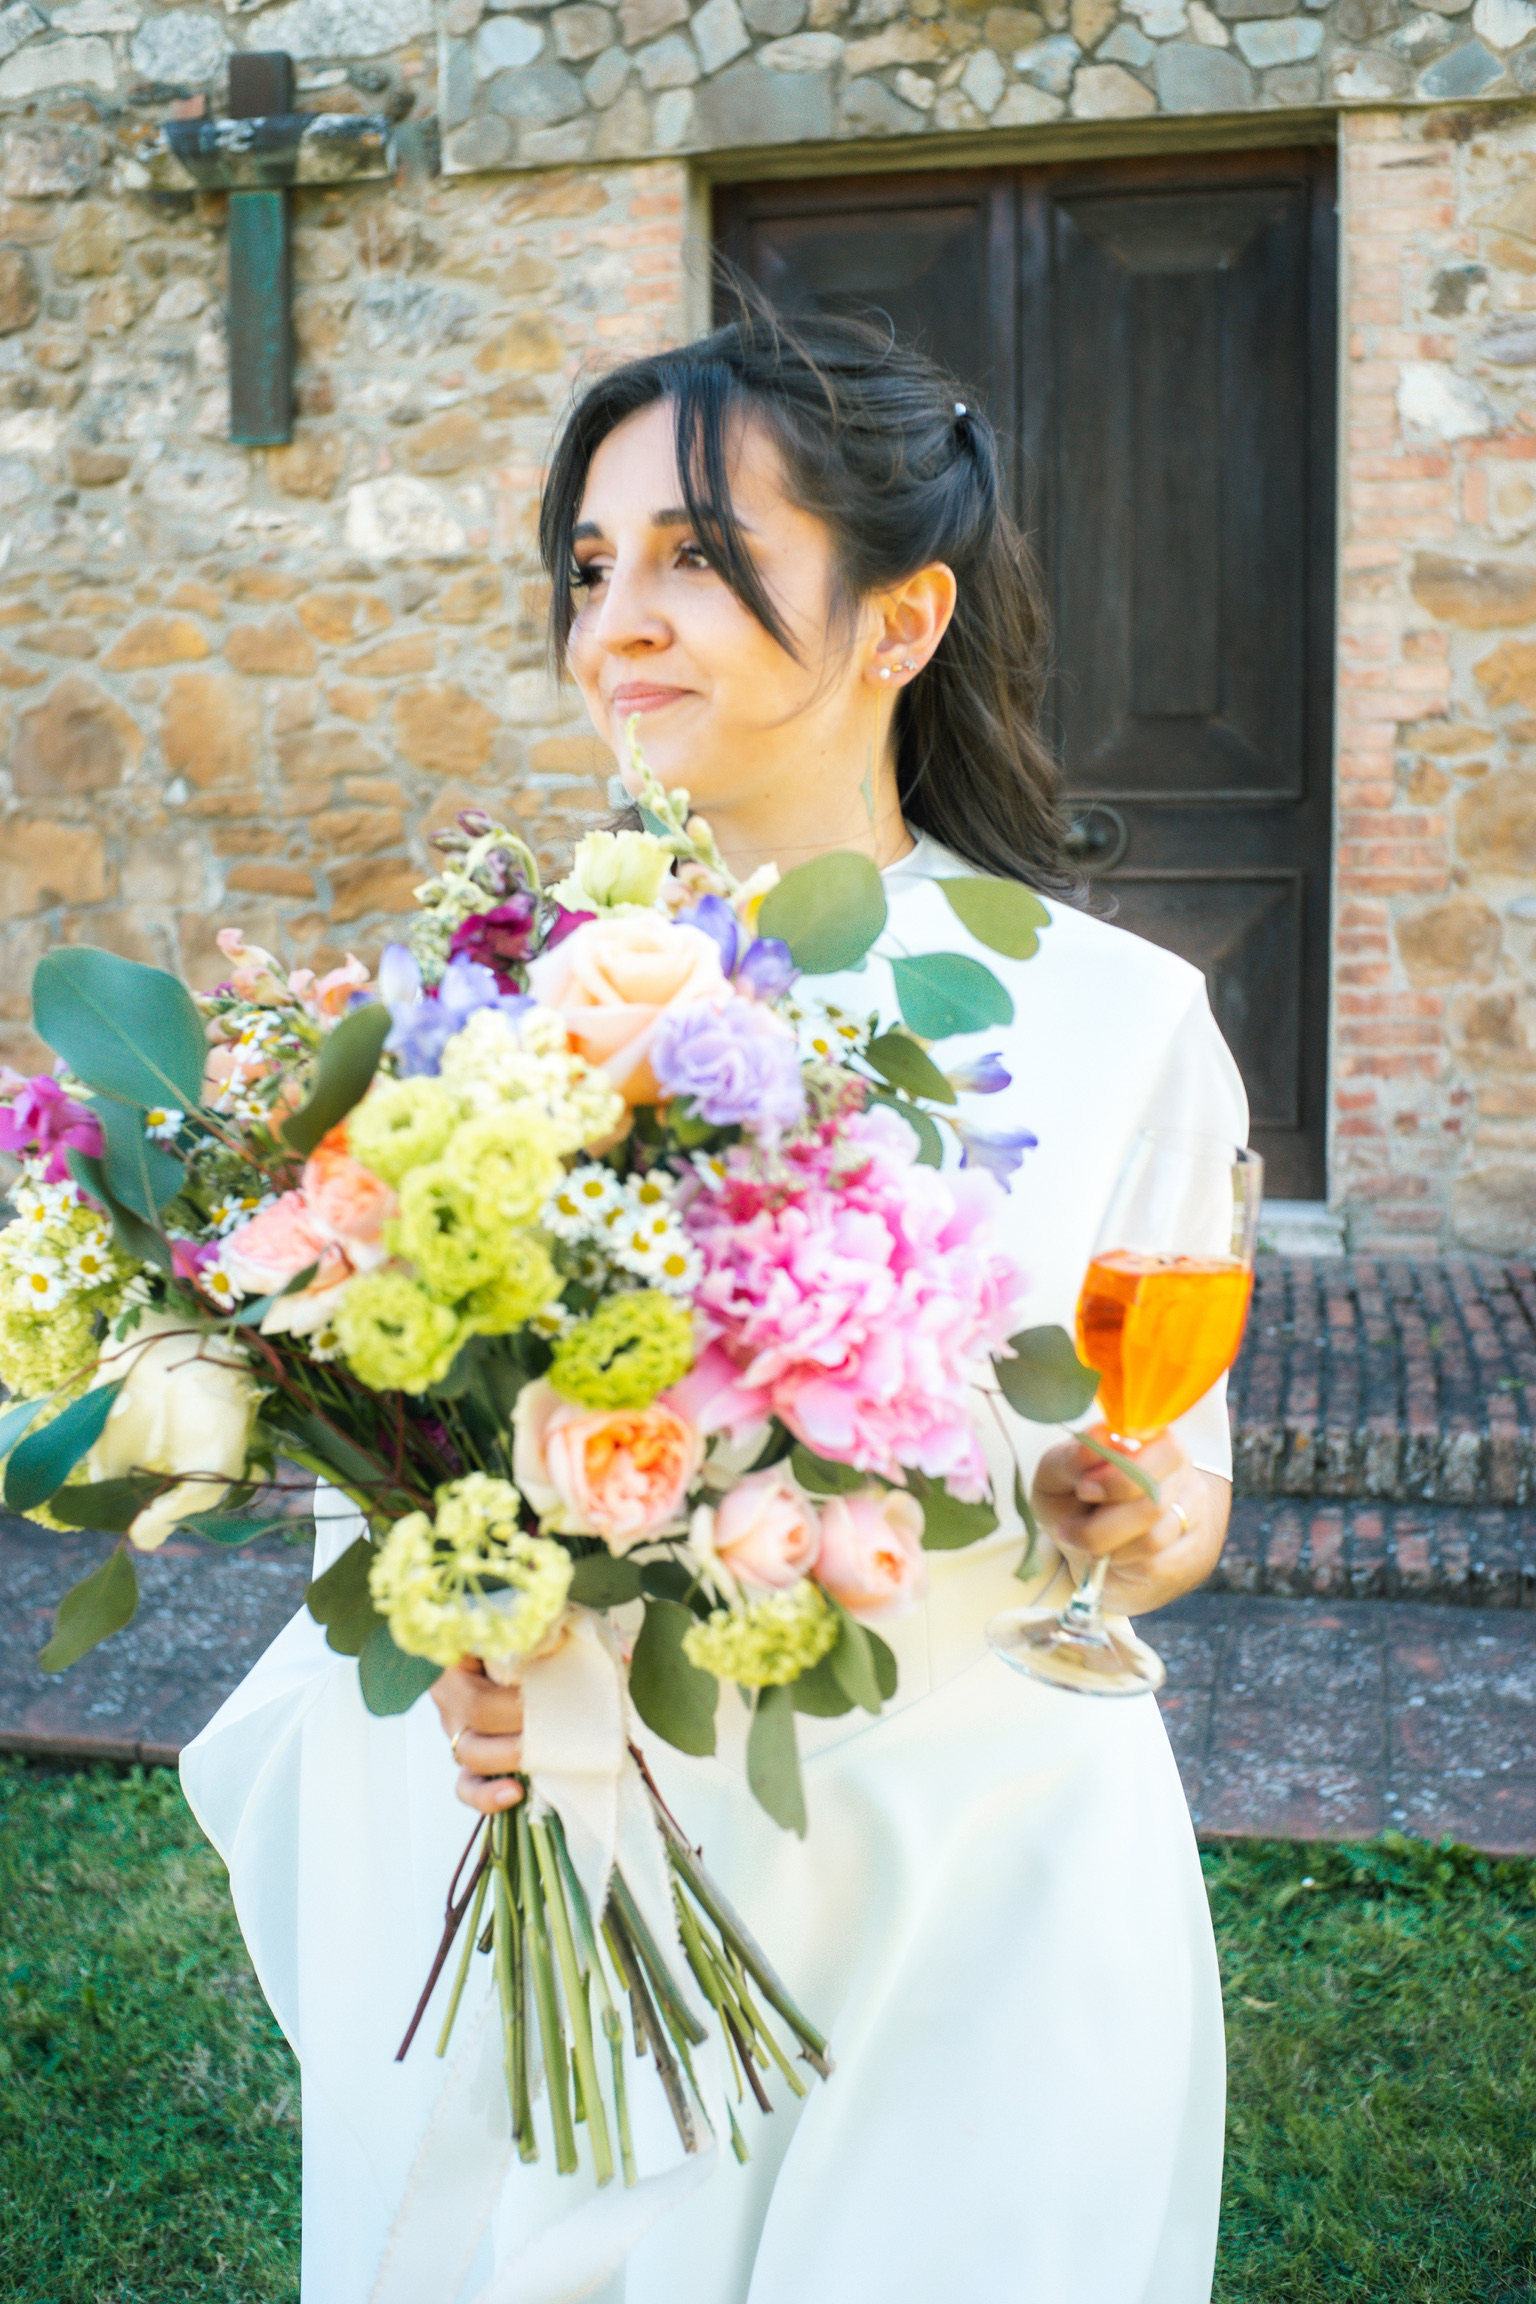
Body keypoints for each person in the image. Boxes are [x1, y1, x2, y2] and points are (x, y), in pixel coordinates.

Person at [182, 306, 1246, 2304]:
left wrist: (1152, 1516)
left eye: (694, 553)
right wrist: (466, 1651)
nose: (618, 622)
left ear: (899, 622)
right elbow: (416, 1467)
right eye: (592, 568)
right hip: (607, 1883)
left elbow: (1169, 1487)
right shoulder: (482, 1021)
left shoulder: (1117, 1026)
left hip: (981, 1889)